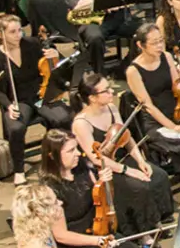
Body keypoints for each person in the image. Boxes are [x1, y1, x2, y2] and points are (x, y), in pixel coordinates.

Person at [36, 130, 157, 248]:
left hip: (96, 229)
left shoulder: (82, 167)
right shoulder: (49, 188)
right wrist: (96, 241)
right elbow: (60, 235)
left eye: (76, 148)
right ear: (52, 156)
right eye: (70, 151)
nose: (78, 153)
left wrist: (105, 182)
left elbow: (101, 199)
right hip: (73, 242)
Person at [71, 70, 174, 236]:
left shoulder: (111, 108)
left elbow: (126, 136)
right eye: (106, 90)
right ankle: (144, 231)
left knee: (159, 176)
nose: (112, 92)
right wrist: (129, 170)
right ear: (92, 98)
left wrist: (141, 161)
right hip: (105, 170)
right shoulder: (81, 124)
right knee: (138, 187)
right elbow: (97, 160)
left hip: (120, 159)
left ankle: (158, 219)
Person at [125, 23, 180, 195]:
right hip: (155, 121)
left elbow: (176, 86)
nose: (160, 46)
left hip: (176, 111)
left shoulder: (166, 56)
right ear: (140, 45)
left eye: (161, 41)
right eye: (155, 43)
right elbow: (148, 106)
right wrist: (172, 127)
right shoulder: (133, 71)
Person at [0, 12, 70, 184]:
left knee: (63, 118)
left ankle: (58, 159)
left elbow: (57, 64)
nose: (18, 35)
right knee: (16, 128)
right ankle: (19, 170)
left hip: (40, 95)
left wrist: (55, 55)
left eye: (20, 30)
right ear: (0, 34)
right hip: (18, 101)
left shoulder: (32, 44)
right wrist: (8, 106)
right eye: (12, 32)